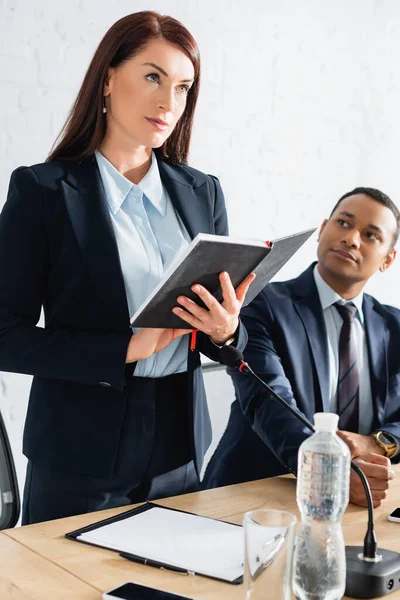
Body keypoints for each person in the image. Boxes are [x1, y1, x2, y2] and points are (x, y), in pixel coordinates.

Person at [0, 11, 254, 525]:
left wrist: (227, 333)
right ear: (109, 78)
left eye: (183, 87)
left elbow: (216, 334)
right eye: (153, 76)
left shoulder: (203, 192)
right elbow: (5, 335)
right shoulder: (43, 192)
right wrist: (126, 348)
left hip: (180, 448)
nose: (169, 103)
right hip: (79, 451)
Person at [204, 187, 400, 507]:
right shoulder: (260, 303)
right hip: (256, 496)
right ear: (323, 230)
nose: (351, 239)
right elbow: (269, 403)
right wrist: (330, 474)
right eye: (344, 223)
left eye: (371, 235)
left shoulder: (394, 326)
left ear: (388, 259)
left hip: (361, 500)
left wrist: (378, 443)